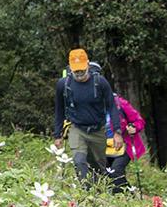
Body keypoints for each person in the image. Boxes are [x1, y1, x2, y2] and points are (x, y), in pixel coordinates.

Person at [52, 48, 121, 185]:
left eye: (82, 70)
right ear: (70, 68)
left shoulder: (100, 82)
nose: (79, 74)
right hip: (77, 129)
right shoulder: (63, 85)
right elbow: (59, 110)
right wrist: (57, 134)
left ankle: (99, 193)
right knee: (79, 161)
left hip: (98, 130)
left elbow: (112, 106)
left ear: (88, 65)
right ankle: (85, 191)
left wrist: (117, 132)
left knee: (98, 167)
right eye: (76, 70)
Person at [105, 93, 146, 191]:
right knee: (104, 175)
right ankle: (125, 196)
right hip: (103, 146)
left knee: (116, 172)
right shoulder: (90, 106)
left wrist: (134, 127)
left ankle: (127, 197)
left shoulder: (120, 104)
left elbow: (139, 121)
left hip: (124, 145)